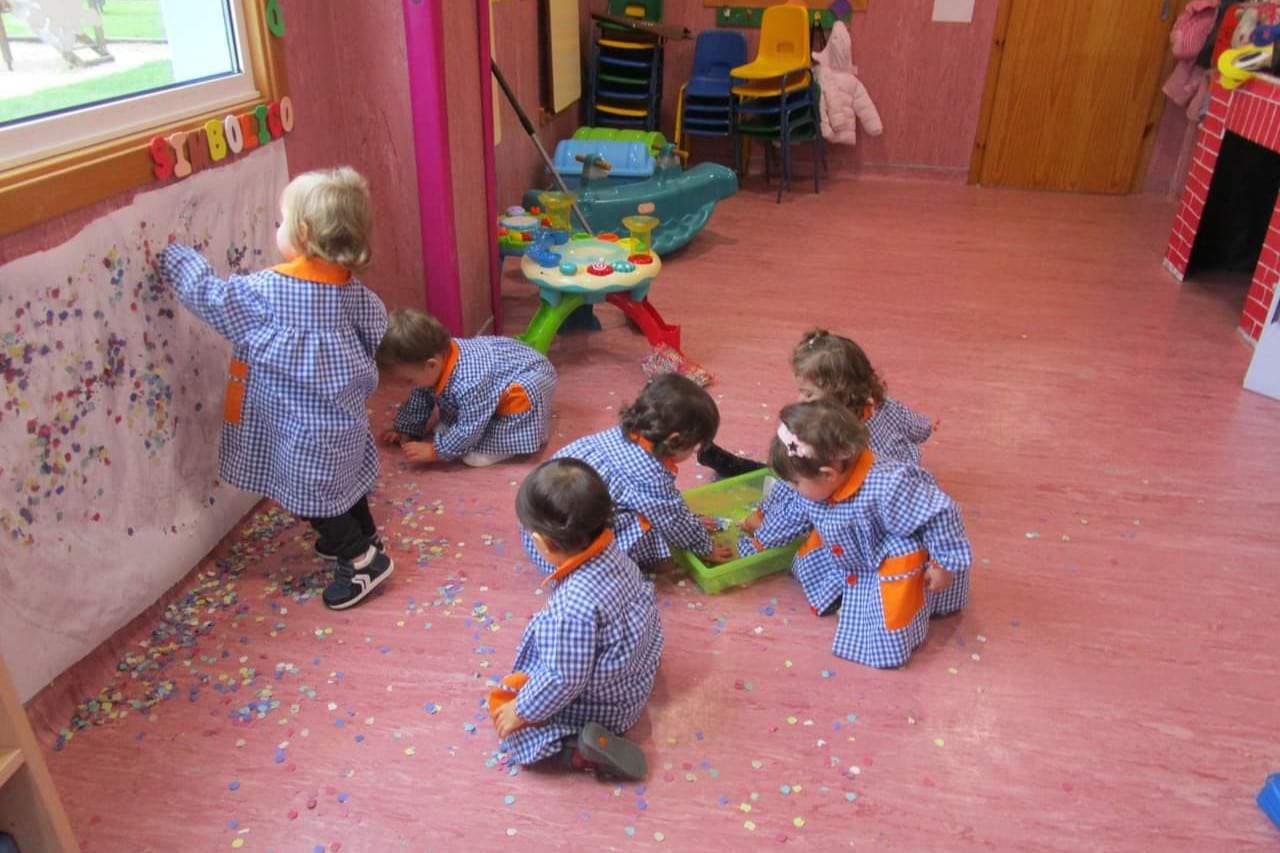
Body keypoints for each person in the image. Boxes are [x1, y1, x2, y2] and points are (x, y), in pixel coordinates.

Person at [158, 167, 393, 610]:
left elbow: (212, 297)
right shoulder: (355, 292)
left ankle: (361, 559)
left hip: (300, 434)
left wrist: (180, 261)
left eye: (281, 221)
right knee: (343, 487)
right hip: (342, 420)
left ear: (302, 233)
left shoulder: (267, 292)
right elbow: (379, 333)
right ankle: (366, 538)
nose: (278, 228)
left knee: (315, 501)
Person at [740, 401, 971, 668]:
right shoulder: (821, 485)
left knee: (889, 609)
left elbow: (942, 514)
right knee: (813, 557)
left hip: (887, 555)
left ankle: (891, 631)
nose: (793, 488)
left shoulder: (890, 486)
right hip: (852, 549)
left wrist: (945, 564)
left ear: (827, 474)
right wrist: (757, 542)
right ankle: (846, 593)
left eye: (795, 482)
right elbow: (793, 515)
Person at [490, 459, 662, 780]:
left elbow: (563, 679)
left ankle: (578, 751)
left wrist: (522, 710)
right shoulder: (612, 551)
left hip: (605, 709)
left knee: (518, 734)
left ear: (542, 542)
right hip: (638, 673)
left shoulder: (573, 606)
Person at [523, 375, 734, 573]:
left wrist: (692, 521)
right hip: (569, 555)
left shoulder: (623, 434)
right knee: (651, 524)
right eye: (694, 447)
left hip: (536, 528)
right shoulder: (651, 474)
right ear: (675, 440)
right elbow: (671, 518)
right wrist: (704, 546)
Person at [375, 308, 556, 467]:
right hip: (500, 368)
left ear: (431, 364)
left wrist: (436, 451)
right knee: (430, 391)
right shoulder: (436, 361)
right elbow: (420, 396)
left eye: (409, 380)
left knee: (519, 395)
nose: (409, 385)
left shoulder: (469, 382)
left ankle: (504, 445)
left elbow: (471, 426)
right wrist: (407, 429)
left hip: (532, 374)